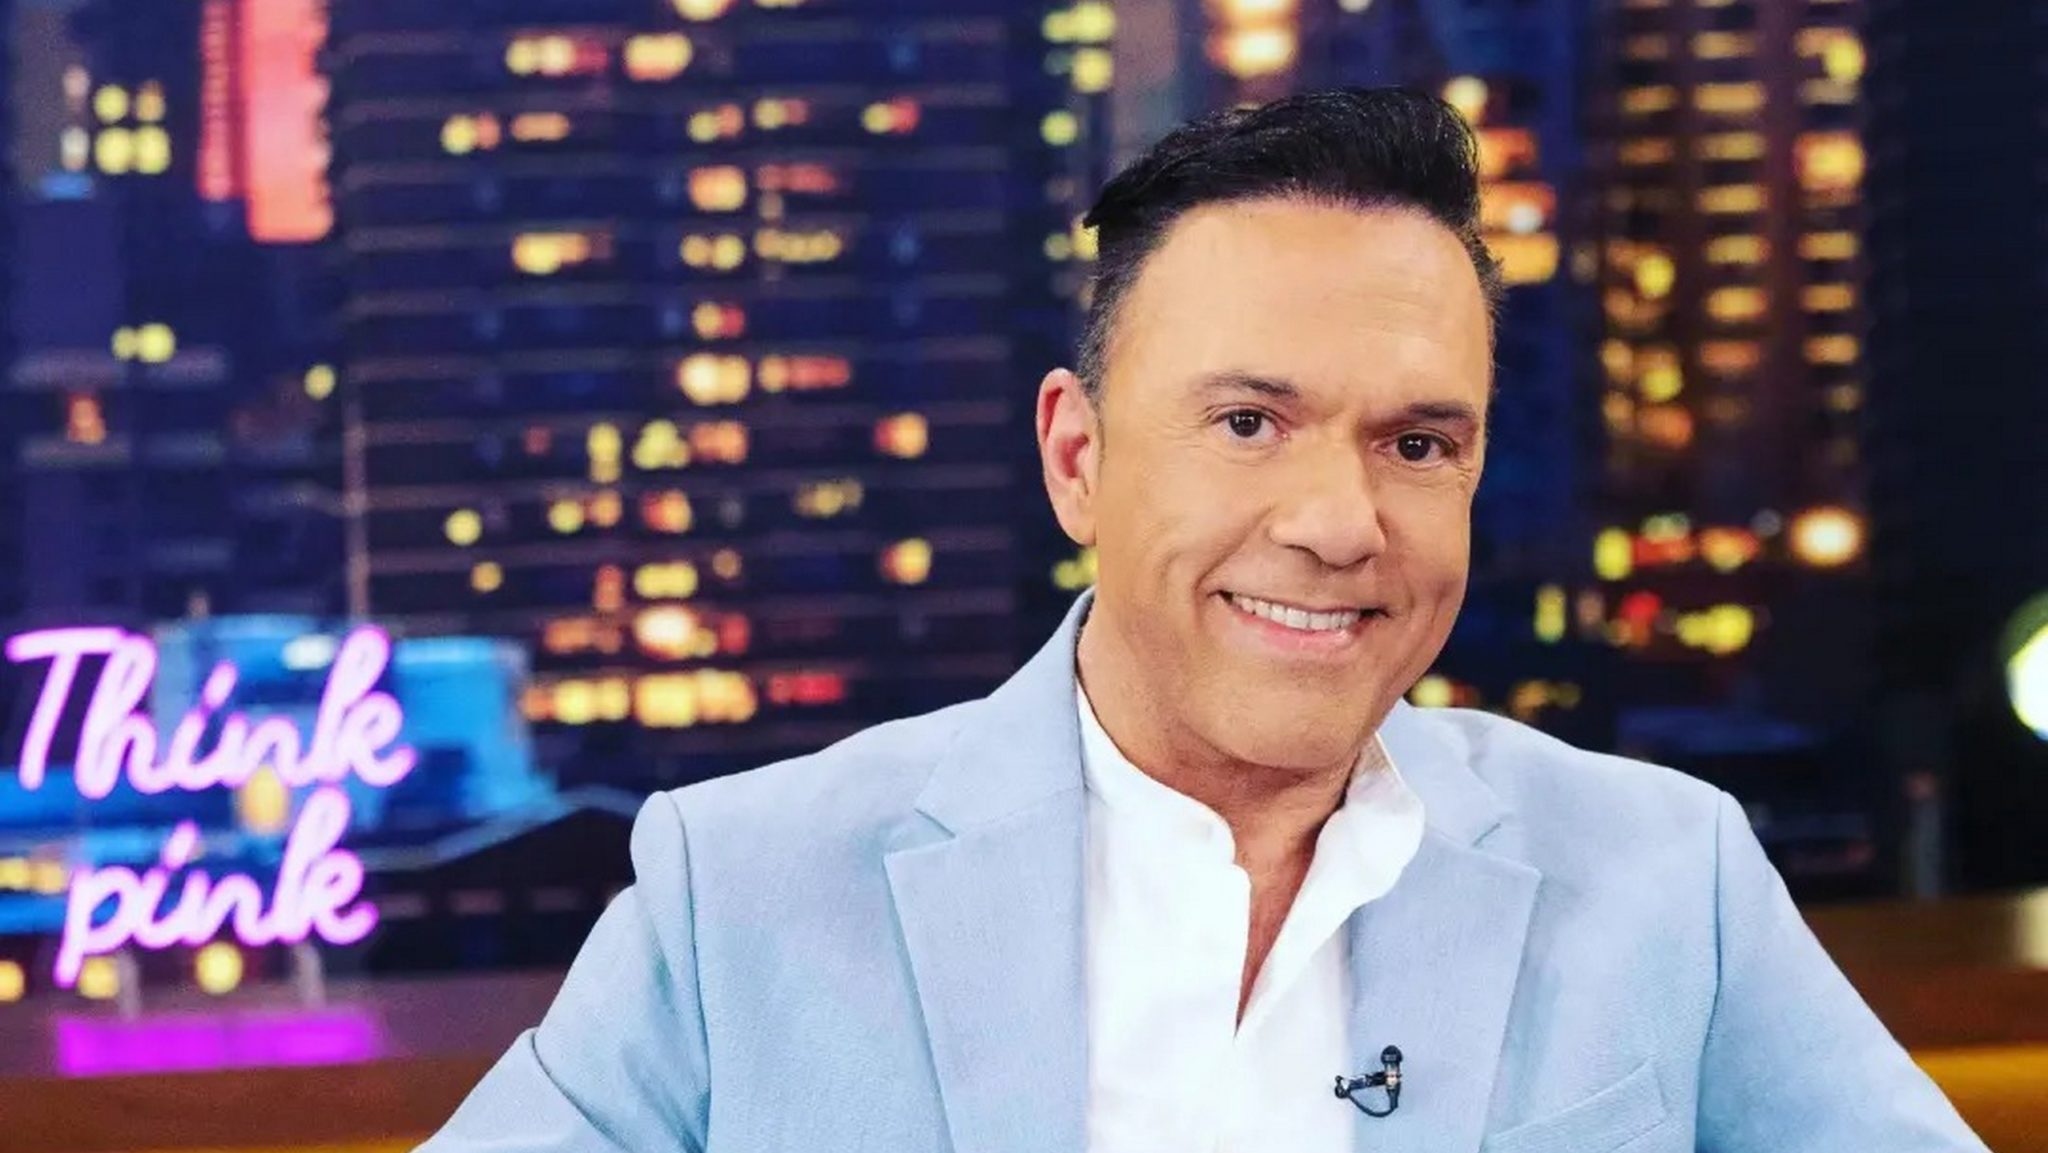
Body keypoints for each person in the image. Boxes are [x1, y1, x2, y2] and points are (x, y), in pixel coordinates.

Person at [419, 88, 1986, 1153]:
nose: (1339, 520)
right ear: (1077, 459)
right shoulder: (739, 892)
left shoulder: (1669, 875)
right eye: (1249, 422)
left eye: (1417, 443)